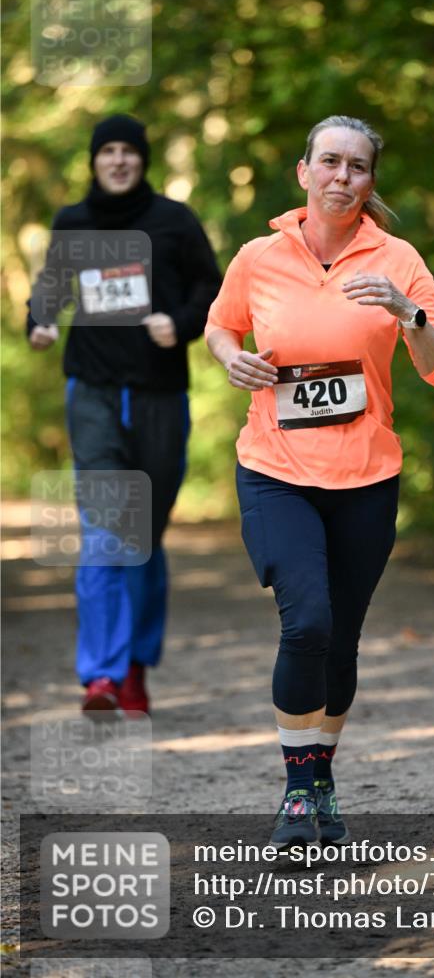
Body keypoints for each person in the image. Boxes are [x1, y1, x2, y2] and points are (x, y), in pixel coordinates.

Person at [206, 114, 434, 847]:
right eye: (329, 162)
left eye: (356, 166)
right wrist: (230, 358)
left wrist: (406, 313)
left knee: (341, 638)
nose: (341, 176)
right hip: (274, 469)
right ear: (303, 172)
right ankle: (296, 790)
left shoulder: (398, 259)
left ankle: (321, 777)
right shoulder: (258, 256)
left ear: (369, 181)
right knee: (307, 621)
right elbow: (221, 325)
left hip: (366, 474)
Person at [28, 114, 222, 716]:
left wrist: (181, 325)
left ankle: (136, 661)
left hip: (161, 393)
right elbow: (51, 286)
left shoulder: (173, 221)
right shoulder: (73, 222)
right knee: (108, 534)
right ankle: (103, 677)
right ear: (93, 161)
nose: (117, 160)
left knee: (146, 535)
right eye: (106, 151)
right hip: (93, 392)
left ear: (142, 160)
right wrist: (39, 319)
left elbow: (213, 288)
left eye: (128, 151)